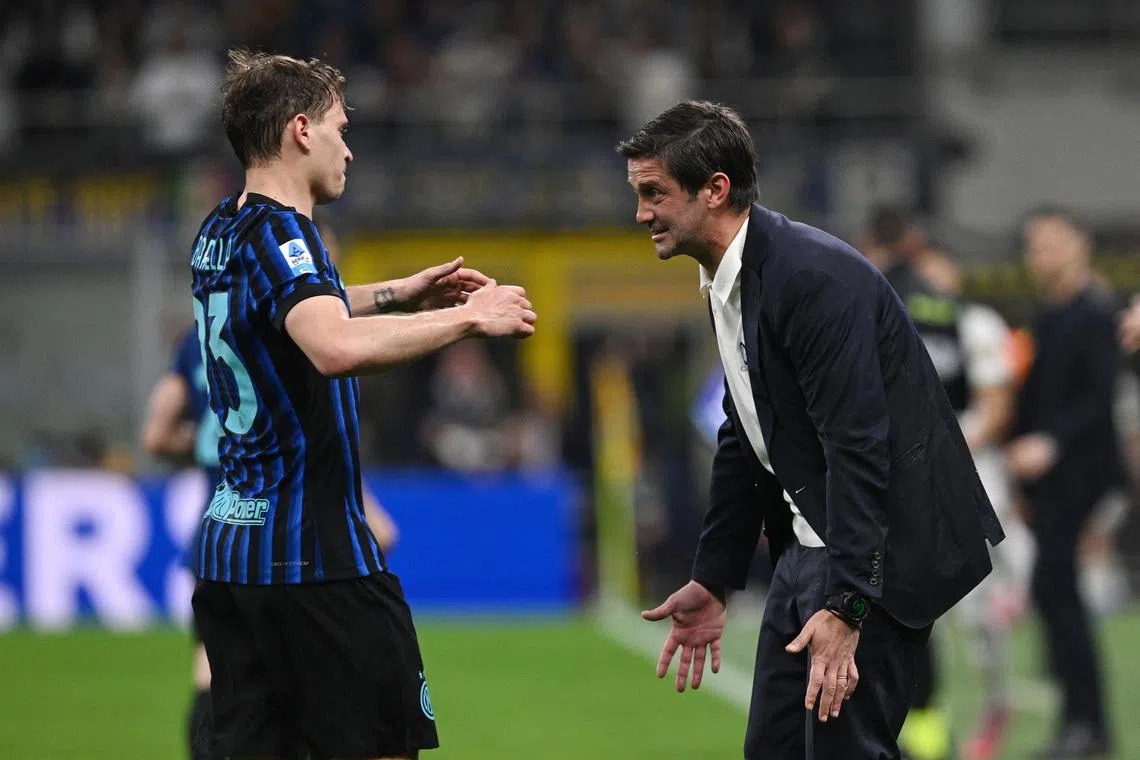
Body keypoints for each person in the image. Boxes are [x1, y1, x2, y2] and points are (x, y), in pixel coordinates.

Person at [621, 100, 1004, 760]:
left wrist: (850, 605)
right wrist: (714, 578)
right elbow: (745, 434)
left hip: (871, 553)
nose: (641, 214)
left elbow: (859, 443)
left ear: (714, 190)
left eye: (654, 193)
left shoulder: (810, 278)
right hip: (807, 550)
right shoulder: (726, 279)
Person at [189, 49, 536, 760]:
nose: (349, 146)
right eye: (339, 127)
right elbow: (331, 346)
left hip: (233, 559)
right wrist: (472, 319)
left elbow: (290, 312)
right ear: (299, 131)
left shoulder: (222, 230)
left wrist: (396, 293)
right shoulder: (290, 233)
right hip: (319, 565)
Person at [860, 207, 1032, 760]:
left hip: (969, 478)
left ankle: (995, 704)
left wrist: (943, 451)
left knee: (979, 612)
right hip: (906, 479)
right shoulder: (880, 316)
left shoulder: (973, 322)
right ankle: (925, 722)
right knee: (912, 606)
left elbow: (996, 405)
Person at [1007, 206, 1121, 759]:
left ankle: (1088, 726)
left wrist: (1049, 443)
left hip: (1083, 477)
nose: (1040, 255)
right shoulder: (1047, 316)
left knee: (1059, 593)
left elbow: (1099, 399)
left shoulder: (1095, 313)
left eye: (1051, 243)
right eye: (1034, 245)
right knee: (1052, 595)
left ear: (1081, 245)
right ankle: (1079, 722)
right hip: (1048, 485)